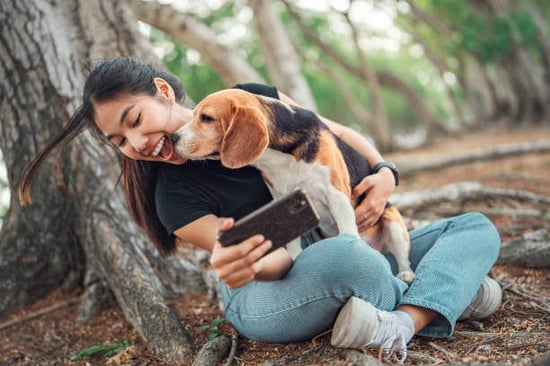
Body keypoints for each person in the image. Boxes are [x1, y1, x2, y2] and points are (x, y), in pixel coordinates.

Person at [19, 57, 502, 362]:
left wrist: (385, 173)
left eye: (135, 121)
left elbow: (330, 130)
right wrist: (242, 259)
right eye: (119, 141)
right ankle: (451, 292)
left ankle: (403, 320)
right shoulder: (173, 197)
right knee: (357, 261)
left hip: (332, 234)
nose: (137, 144)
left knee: (475, 227)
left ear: (163, 93)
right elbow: (275, 260)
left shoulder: (248, 103)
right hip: (268, 289)